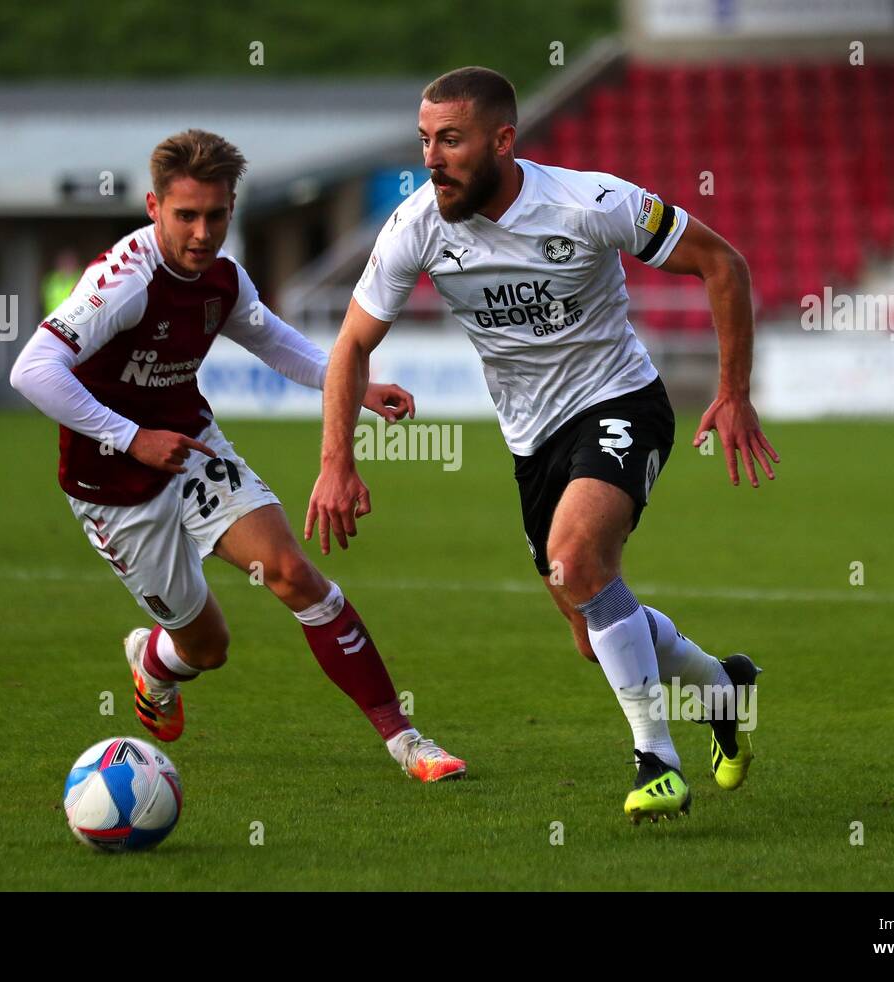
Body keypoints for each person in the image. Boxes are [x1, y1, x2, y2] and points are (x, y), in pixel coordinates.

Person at [307, 67, 776, 821]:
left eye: (451, 140)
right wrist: (336, 463)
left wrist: (734, 392)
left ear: (501, 139)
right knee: (594, 631)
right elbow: (352, 345)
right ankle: (723, 689)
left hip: (619, 400)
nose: (432, 157)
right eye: (424, 140)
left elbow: (722, 263)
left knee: (577, 557)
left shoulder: (588, 202)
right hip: (532, 441)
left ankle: (656, 759)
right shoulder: (416, 226)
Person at [11, 128, 466, 783]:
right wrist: (133, 437)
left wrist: (358, 386)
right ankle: (158, 666)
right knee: (208, 646)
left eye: (216, 215)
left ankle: (405, 740)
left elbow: (281, 346)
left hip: (192, 448)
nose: (202, 233)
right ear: (152, 207)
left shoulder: (222, 280)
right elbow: (33, 369)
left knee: (292, 573)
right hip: (110, 482)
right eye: (185, 216)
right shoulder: (125, 281)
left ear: (232, 209)